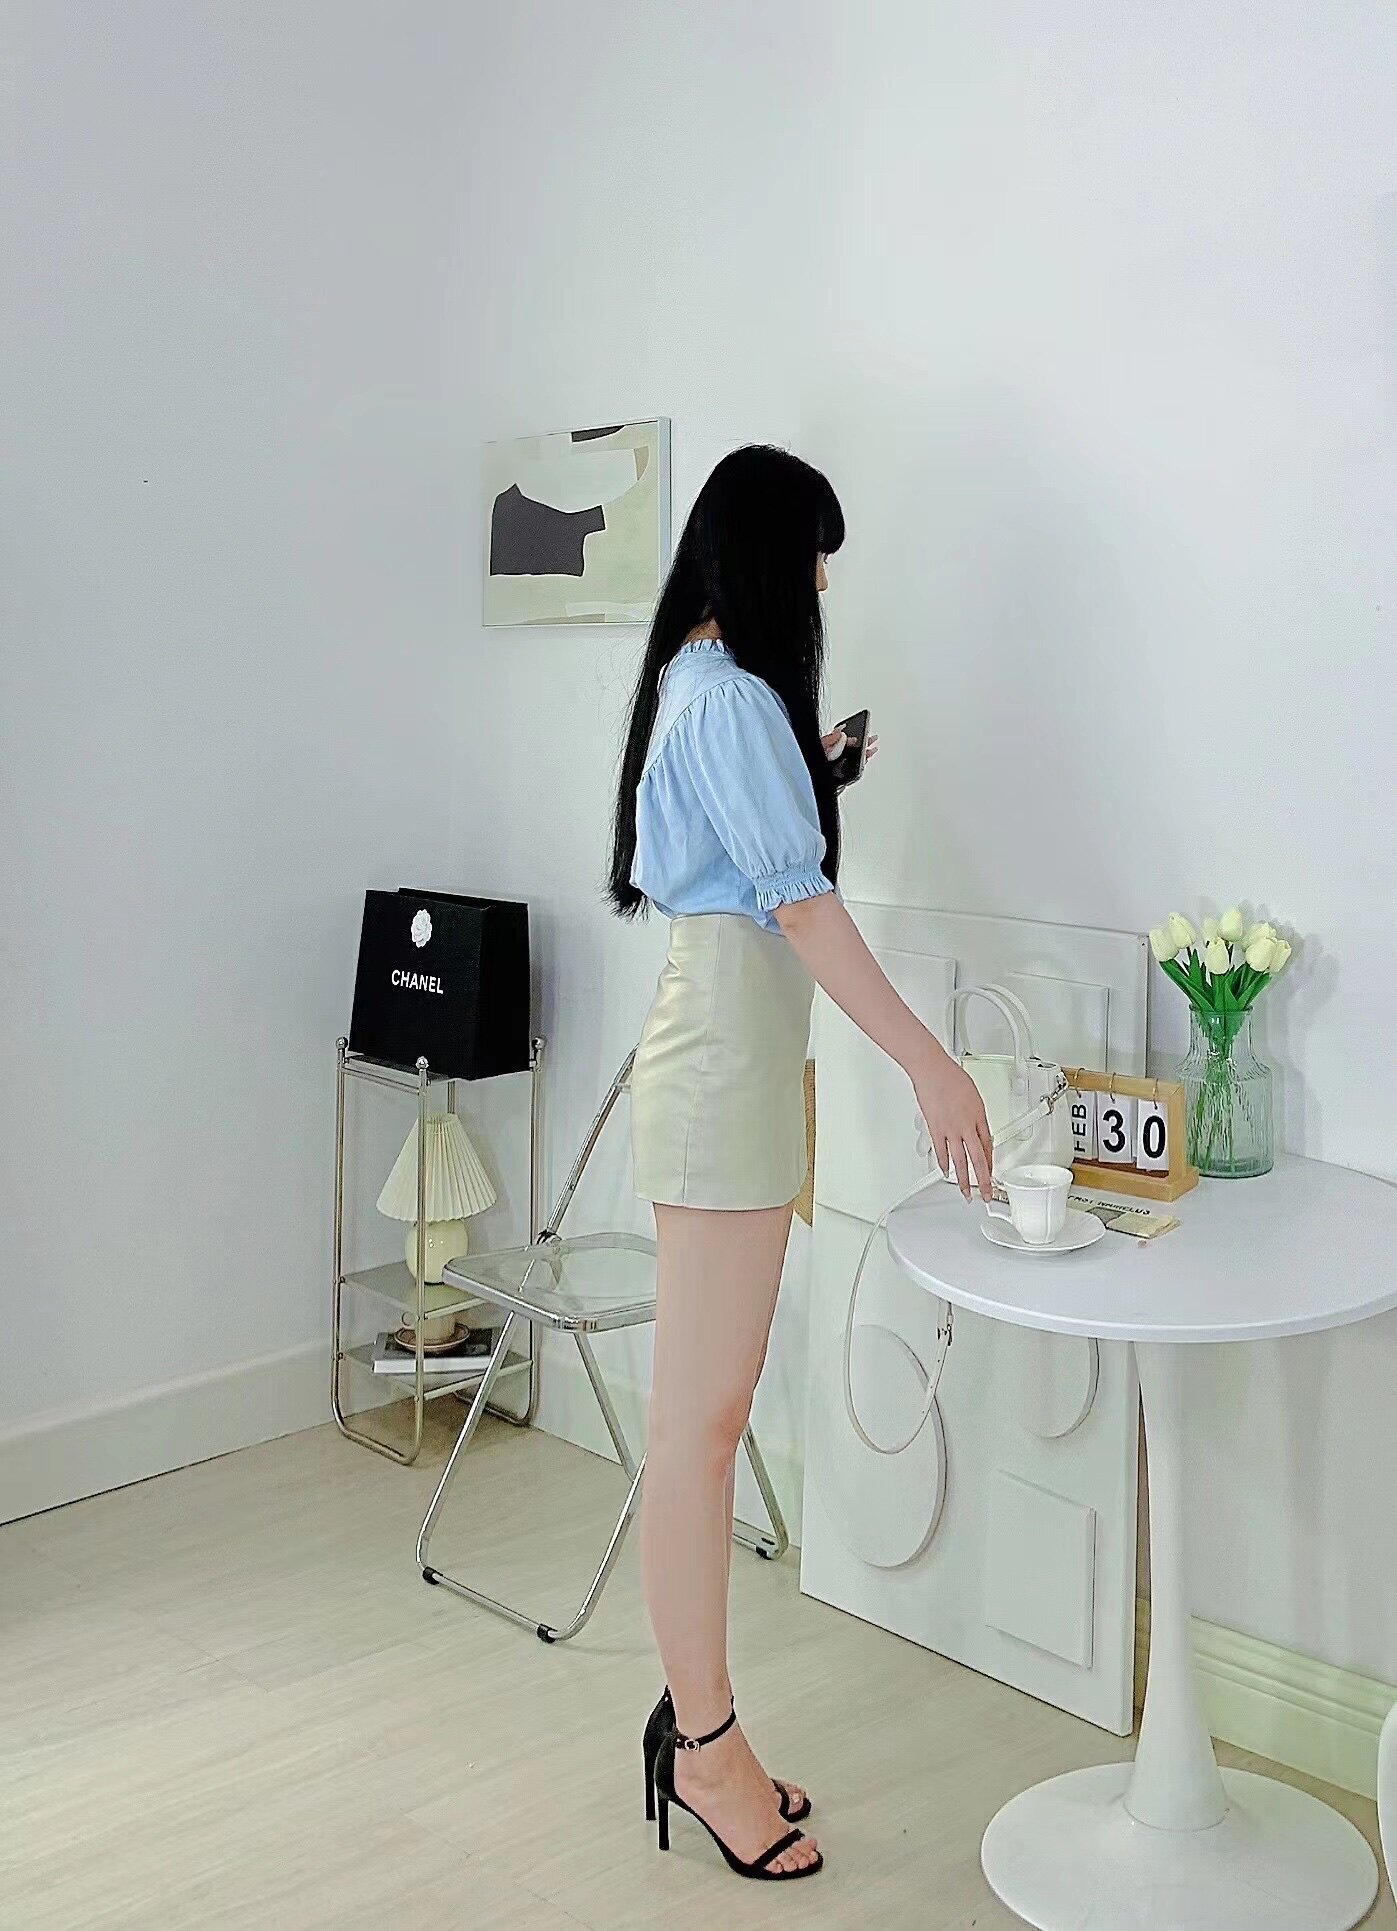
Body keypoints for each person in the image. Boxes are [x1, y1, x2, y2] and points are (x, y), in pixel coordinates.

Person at [608, 444, 993, 1882]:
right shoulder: (723, 697)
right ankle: (705, 1749)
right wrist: (932, 1064)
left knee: (706, 1420)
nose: (822, 585)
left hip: (740, 1055)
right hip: (723, 1063)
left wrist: (810, 771)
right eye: (814, 558)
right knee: (699, 1431)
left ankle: (703, 1730)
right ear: (766, 557)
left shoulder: (721, 694)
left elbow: (743, 867)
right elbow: (801, 910)